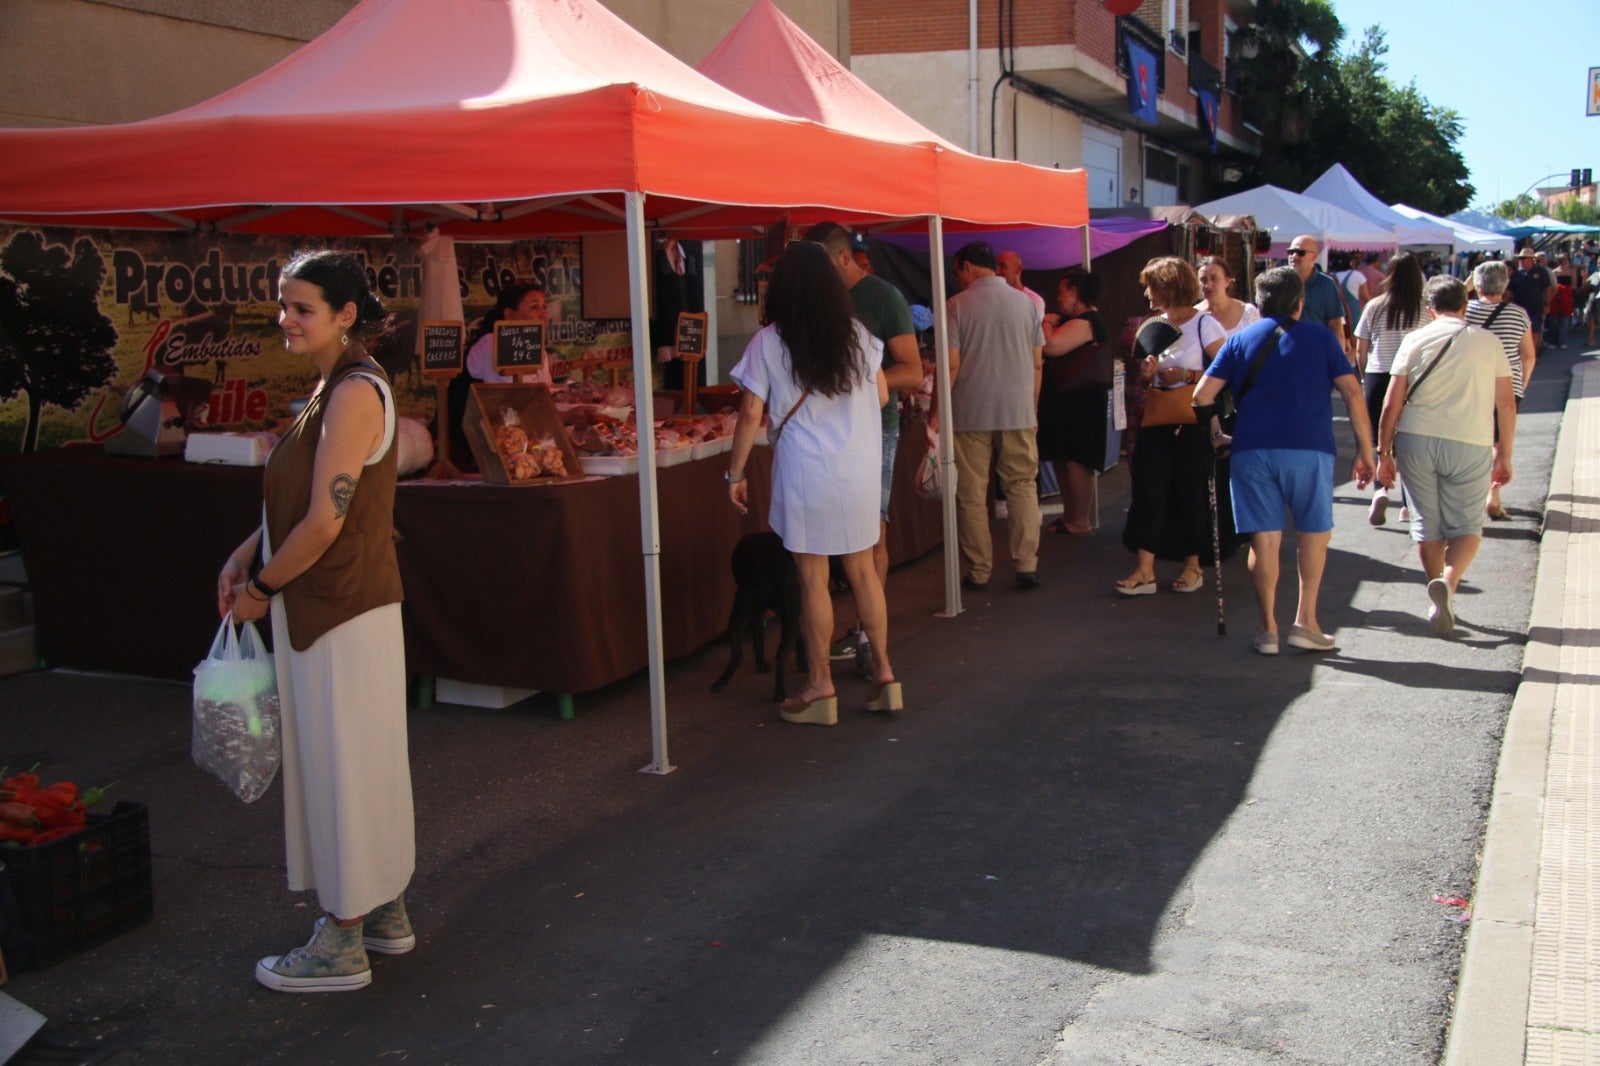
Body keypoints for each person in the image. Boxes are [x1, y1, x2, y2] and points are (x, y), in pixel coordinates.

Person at [216, 250, 415, 992]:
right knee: (355, 762)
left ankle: (344, 935)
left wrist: (261, 588)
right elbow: (305, 509)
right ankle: (381, 909)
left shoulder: (354, 392)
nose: (287, 319)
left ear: (345, 316)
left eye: (302, 307)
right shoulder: (335, 387)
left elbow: (326, 523)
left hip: (339, 608)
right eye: (284, 304)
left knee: (342, 766)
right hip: (330, 604)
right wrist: (245, 557)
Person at [725, 240, 898, 725]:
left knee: (813, 577)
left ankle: (821, 685)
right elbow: (883, 395)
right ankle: (884, 673)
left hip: (806, 471)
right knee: (863, 571)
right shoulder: (860, 336)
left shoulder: (769, 342)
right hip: (859, 469)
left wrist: (734, 474)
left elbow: (750, 412)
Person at [1193, 266, 1374, 655]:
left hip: (1252, 448)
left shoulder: (1239, 340)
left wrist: (1215, 434)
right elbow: (1353, 393)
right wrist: (1366, 449)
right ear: (1300, 301)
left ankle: (1267, 630)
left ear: (1259, 302)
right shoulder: (1322, 339)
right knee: (1313, 534)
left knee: (1264, 539)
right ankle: (1305, 622)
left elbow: (1202, 395)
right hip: (1310, 447)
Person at [801, 221, 922, 674]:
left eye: (819, 264)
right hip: (818, 436)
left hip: (874, 430)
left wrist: (854, 388)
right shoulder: (812, 302)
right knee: (824, 549)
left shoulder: (882, 298)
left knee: (871, 535)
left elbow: (910, 370)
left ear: (842, 258)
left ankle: (869, 638)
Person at [1375, 276, 1515, 636]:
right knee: (1467, 525)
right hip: (1471, 440)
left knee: (1426, 523)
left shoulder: (1415, 339)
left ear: (1429, 308)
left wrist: (1383, 453)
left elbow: (1392, 401)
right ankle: (1448, 585)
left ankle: (1436, 582)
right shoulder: (1489, 342)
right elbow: (1506, 402)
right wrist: (1505, 454)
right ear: (1465, 305)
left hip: (1417, 438)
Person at [1117, 256, 1228, 596]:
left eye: (1151, 286)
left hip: (1191, 418)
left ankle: (1193, 565)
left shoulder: (1204, 325)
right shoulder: (1155, 323)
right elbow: (1148, 378)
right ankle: (1145, 569)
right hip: (1158, 415)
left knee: (1189, 491)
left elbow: (1227, 370)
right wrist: (1150, 376)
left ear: (1166, 286)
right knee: (1149, 490)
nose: (1147, 293)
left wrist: (1186, 376)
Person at [945, 241, 1046, 591]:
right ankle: (1027, 564)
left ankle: (979, 570)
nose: (956, 277)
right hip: (1018, 408)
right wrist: (1032, 408)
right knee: (1021, 485)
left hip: (970, 410)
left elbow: (951, 364)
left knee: (972, 493)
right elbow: (1037, 363)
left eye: (957, 270)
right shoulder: (1028, 305)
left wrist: (936, 410)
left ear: (969, 266)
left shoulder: (956, 306)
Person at [1354, 253, 1428, 526]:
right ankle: (1408, 505)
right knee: (1406, 440)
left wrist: (1365, 376)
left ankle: (1380, 490)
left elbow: (1361, 349)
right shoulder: (1423, 309)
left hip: (1377, 374)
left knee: (1379, 440)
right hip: (1410, 379)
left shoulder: (1375, 306)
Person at [1037, 267, 1110, 537]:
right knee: (1064, 457)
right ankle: (1070, 516)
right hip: (1067, 399)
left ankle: (1080, 519)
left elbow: (1051, 346)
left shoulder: (1086, 321)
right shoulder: (1078, 320)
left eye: (1062, 291)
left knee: (1077, 460)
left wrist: (1046, 322)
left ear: (1075, 292)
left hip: (1082, 401)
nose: (1058, 297)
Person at [448, 283, 549, 467]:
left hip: (519, 433)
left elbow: (545, 394)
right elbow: (504, 406)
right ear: (509, 314)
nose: (543, 313)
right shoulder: (491, 343)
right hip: (480, 438)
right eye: (534, 307)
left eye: (544, 307)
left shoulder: (538, 348)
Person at [1465, 260, 1536, 521]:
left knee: (1472, 442)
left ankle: (1470, 496)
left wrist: (1466, 285)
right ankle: (1493, 496)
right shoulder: (1518, 315)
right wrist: (1521, 383)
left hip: (1471, 386)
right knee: (1500, 443)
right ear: (1505, 284)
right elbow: (1528, 356)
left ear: (1477, 284)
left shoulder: (1464, 311)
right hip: (1507, 387)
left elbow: (1446, 302)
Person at [1287, 235, 1348, 354]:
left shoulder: (1326, 284)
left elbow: (1336, 325)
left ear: (1314, 257)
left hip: (1315, 352)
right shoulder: (1280, 282)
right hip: (1286, 351)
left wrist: (1338, 360)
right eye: (1291, 252)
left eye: (1300, 252)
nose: (1294, 256)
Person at [1196, 256, 1261, 338]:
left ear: (1227, 281)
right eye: (1203, 279)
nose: (1208, 285)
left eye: (1214, 278)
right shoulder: (1194, 316)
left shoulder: (1248, 313)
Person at [1507, 248, 1551, 355]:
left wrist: (1547, 304)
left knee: (1534, 330)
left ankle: (1533, 353)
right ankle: (1522, 353)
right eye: (1520, 259)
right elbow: (1509, 290)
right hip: (1520, 308)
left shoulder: (1541, 271)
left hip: (1536, 307)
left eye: (1523, 258)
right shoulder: (1517, 274)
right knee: (1520, 332)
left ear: (1531, 259)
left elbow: (1547, 288)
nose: (1521, 261)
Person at [996, 249, 1047, 324]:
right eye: (996, 267)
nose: (997, 271)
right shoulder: (993, 297)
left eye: (1002, 266)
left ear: (1018, 269)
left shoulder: (1034, 300)